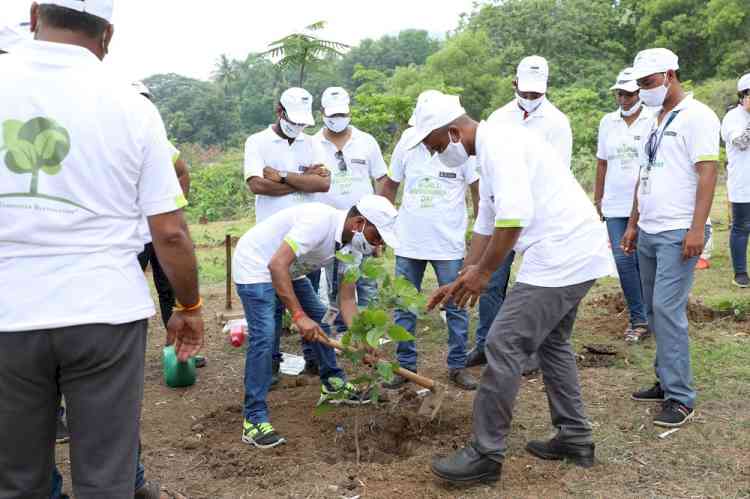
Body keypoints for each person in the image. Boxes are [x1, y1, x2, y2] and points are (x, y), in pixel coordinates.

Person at [0, 3, 204, 499]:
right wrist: (189, 307)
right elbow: (171, 232)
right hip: (104, 313)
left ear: (34, 15)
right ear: (107, 33)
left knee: (17, 481)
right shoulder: (131, 103)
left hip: (8, 314)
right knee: (106, 480)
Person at [403, 92, 611, 485]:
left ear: (452, 131)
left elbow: (513, 217)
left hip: (560, 254)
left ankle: (486, 454)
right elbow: (486, 223)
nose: (433, 154)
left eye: (432, 146)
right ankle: (575, 437)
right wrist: (465, 274)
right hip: (575, 252)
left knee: (503, 343)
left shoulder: (500, 145)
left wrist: (483, 275)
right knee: (553, 343)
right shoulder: (489, 150)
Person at [232, 195, 398, 448]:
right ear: (359, 223)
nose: (377, 246)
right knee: (264, 336)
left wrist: (363, 341)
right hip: (256, 265)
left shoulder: (352, 248)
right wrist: (299, 317)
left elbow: (347, 301)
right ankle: (253, 419)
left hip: (289, 271)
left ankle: (333, 384)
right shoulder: (319, 221)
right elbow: (276, 265)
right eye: (376, 237)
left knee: (322, 320)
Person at [622, 48, 719, 428]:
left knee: (667, 310)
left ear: (670, 76)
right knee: (652, 310)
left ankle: (680, 398)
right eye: (640, 84)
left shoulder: (698, 116)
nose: (644, 91)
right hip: (649, 229)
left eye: (648, 83)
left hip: (679, 230)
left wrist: (697, 228)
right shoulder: (653, 119)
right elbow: (643, 175)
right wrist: (633, 222)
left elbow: (708, 174)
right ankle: (665, 381)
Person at [466, 55, 574, 369]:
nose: (529, 99)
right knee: (491, 278)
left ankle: (531, 351)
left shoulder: (557, 123)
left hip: (540, 218)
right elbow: (486, 172)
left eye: (535, 94)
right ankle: (485, 344)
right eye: (525, 92)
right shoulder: (498, 119)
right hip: (504, 212)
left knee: (536, 286)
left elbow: (559, 176)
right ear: (514, 84)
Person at [380, 97, 481, 390]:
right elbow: (388, 186)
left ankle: (457, 366)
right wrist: (385, 227)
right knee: (404, 307)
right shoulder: (407, 143)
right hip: (409, 241)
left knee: (456, 306)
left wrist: (476, 236)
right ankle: (405, 367)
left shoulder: (460, 147)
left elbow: (477, 192)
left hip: (448, 243)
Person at [244, 87, 330, 379]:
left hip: (305, 241)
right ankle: (270, 368)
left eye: (303, 123)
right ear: (279, 111)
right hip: (271, 243)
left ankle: (316, 363)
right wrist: (303, 180)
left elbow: (323, 184)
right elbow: (257, 185)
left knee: (311, 310)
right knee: (270, 315)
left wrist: (281, 176)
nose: (298, 128)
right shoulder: (257, 142)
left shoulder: (311, 143)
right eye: (293, 121)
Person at [313, 86, 387, 310]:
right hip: (330, 230)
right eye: (333, 115)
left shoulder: (367, 141)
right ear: (322, 113)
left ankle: (370, 334)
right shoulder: (311, 144)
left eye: (342, 114)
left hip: (365, 228)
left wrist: (381, 225)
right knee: (335, 285)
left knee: (367, 283)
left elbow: (381, 180)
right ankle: (340, 335)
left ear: (349, 112)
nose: (338, 119)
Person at [594, 67, 652, 343]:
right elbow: (602, 162)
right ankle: (638, 318)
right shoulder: (608, 122)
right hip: (615, 204)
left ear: (639, 93)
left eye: (628, 94)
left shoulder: (652, 119)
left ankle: (653, 314)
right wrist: (598, 196)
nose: (623, 99)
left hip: (647, 202)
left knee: (644, 260)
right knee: (623, 259)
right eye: (619, 93)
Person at [134, 81, 191, 329]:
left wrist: (175, 208)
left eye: (146, 100)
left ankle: (176, 351)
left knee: (168, 288)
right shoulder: (109, 140)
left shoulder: (159, 142)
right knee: (130, 291)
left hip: (158, 229)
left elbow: (182, 172)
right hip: (129, 234)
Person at [721, 73, 750, 287]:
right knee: (742, 227)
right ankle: (740, 273)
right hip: (743, 183)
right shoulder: (733, 117)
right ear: (742, 96)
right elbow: (740, 142)